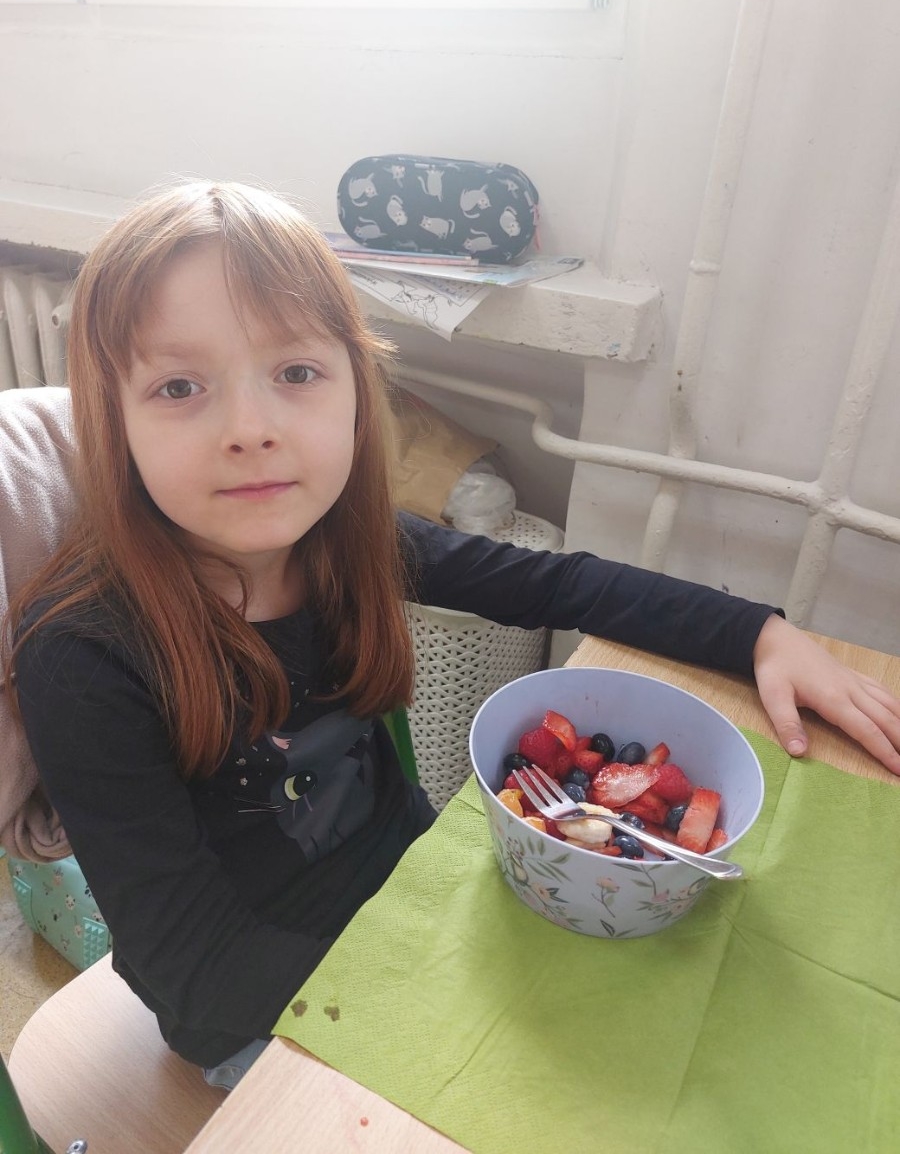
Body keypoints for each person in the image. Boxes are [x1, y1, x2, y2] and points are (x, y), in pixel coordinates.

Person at [5, 182, 899, 1087]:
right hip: (274, 1016)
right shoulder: (82, 659)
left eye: (296, 373)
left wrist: (759, 634)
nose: (250, 430)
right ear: (113, 422)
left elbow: (565, 584)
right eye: (179, 387)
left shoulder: (352, 546)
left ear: (359, 392)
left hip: (424, 894)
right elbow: (200, 978)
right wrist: (451, 988)